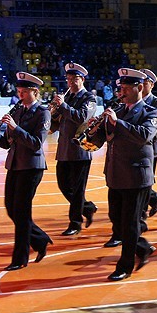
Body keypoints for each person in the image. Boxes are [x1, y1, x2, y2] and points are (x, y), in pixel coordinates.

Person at [87, 68, 157, 281]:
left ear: (139, 88)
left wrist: (117, 122)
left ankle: (125, 266)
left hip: (137, 176)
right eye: (121, 88)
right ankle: (142, 247)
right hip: (116, 173)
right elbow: (104, 139)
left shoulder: (150, 111)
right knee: (117, 220)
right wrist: (93, 132)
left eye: (127, 88)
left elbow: (145, 135)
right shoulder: (119, 110)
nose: (123, 92)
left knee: (129, 223)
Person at [0, 72, 53, 271]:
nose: (20, 95)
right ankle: (40, 239)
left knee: (22, 212)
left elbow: (35, 143)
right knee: (11, 208)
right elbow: (8, 144)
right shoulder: (17, 111)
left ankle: (20, 258)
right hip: (15, 165)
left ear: (35, 92)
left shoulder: (43, 113)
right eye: (19, 91)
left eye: (24, 92)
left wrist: (16, 128)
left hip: (32, 167)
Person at [51, 63, 98, 237]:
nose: (70, 82)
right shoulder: (67, 97)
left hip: (80, 149)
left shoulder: (89, 98)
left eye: (74, 79)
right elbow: (58, 121)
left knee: (78, 189)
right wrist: (53, 112)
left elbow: (81, 117)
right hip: (64, 148)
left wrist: (62, 106)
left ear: (82, 79)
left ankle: (75, 223)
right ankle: (87, 207)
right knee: (63, 185)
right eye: (68, 79)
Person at [140, 68, 157, 218]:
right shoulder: (132, 101)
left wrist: (146, 124)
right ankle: (154, 198)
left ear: (151, 85)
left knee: (146, 180)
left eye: (145, 83)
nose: (141, 85)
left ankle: (142, 211)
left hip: (150, 147)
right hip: (134, 146)